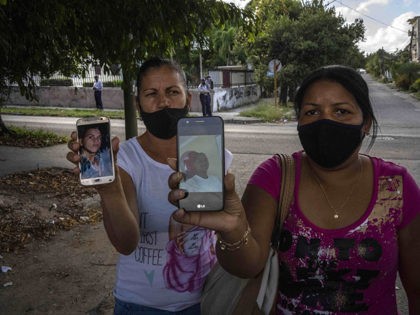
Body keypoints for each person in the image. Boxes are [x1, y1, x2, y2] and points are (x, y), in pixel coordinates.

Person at [168, 65, 420, 314]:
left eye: (341, 111)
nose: (325, 122)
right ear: (299, 121)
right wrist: (233, 230)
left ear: (365, 123)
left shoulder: (396, 186)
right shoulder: (275, 176)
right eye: (312, 112)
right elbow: (247, 266)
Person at [67, 57, 232, 314]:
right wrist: (108, 189)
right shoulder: (126, 159)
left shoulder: (212, 153)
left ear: (188, 99)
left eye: (172, 92)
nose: (163, 102)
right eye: (151, 94)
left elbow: (226, 233)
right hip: (140, 305)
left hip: (207, 299)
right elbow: (125, 242)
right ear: (138, 103)